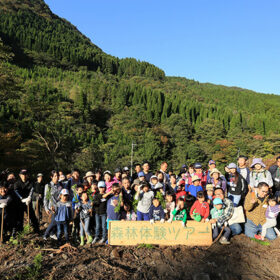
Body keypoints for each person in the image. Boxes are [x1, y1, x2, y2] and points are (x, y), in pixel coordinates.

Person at [43, 170, 63, 240]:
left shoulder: (60, 185)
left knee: (58, 221)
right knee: (54, 221)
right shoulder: (48, 186)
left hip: (60, 206)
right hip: (52, 207)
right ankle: (45, 234)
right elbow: (46, 198)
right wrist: (46, 208)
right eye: (55, 176)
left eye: (57, 176)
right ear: (51, 177)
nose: (56, 177)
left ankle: (52, 233)